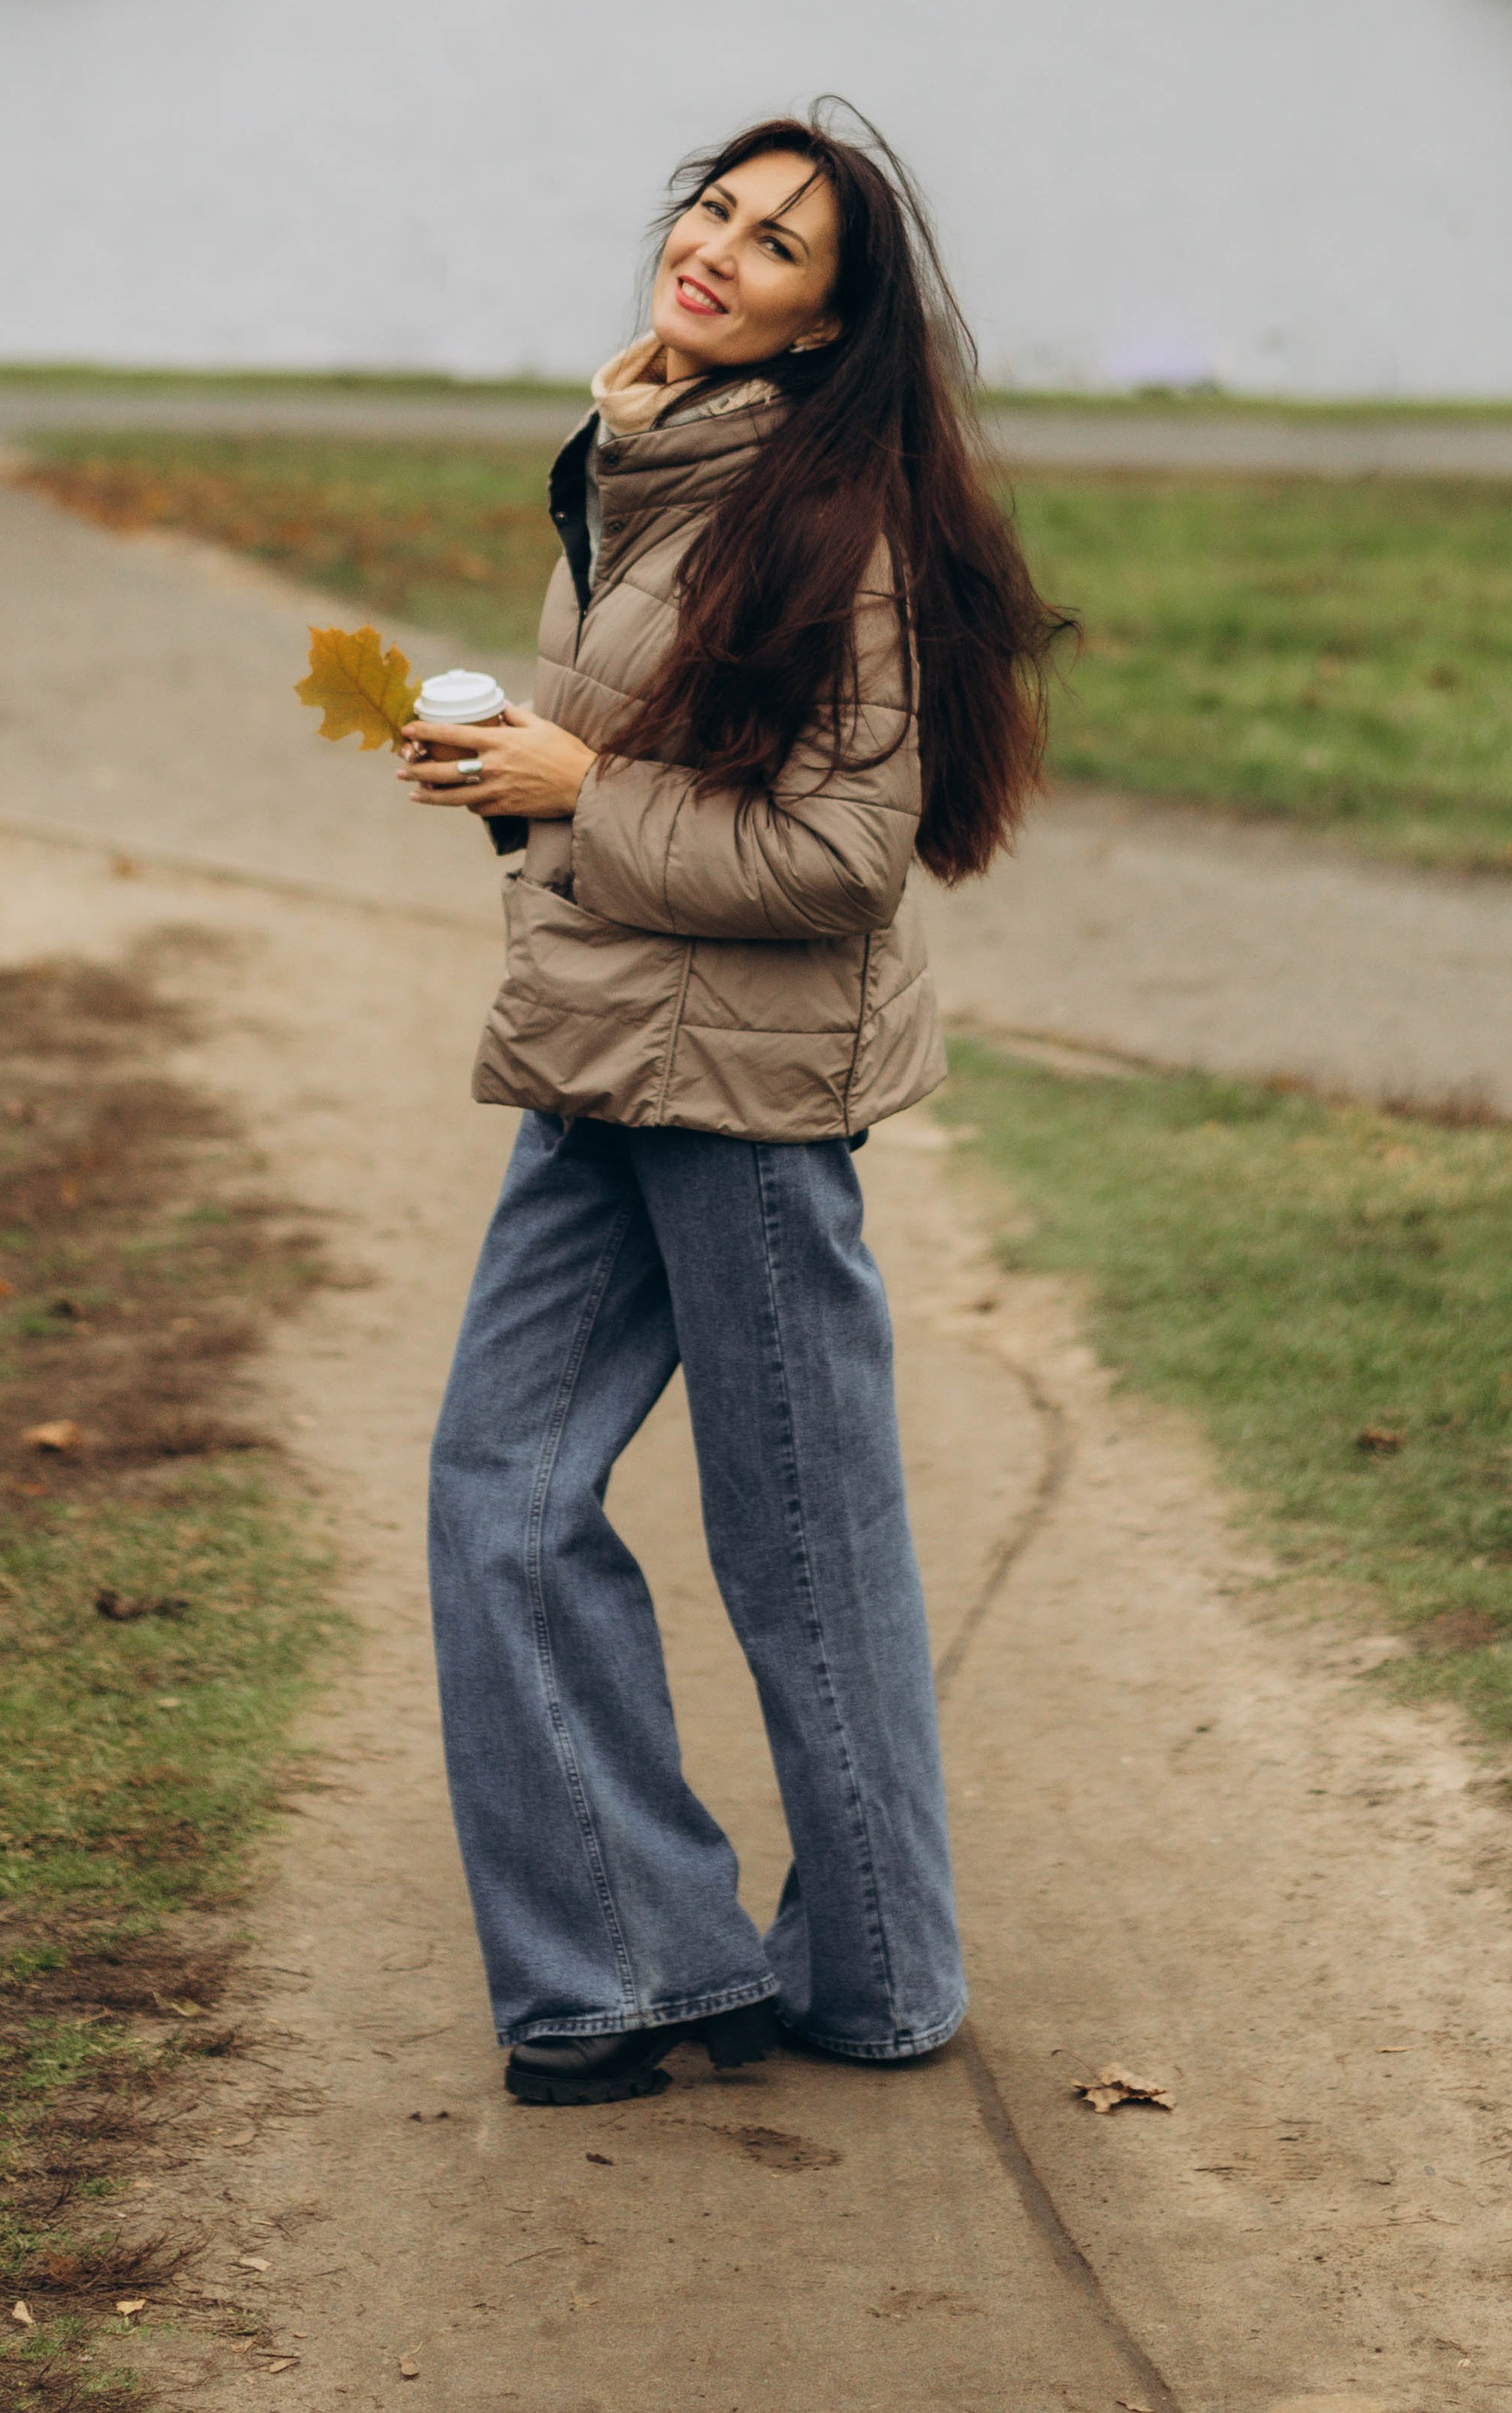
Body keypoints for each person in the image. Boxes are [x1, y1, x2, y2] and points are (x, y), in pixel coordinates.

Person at [397, 107, 1071, 2109]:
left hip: (752, 1103)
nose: (716, 248)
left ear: (815, 325)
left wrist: (570, 788)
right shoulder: (637, 458)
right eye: (711, 208)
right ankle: (621, 1960)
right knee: (493, 1496)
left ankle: (877, 1977)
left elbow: (844, 859)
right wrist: (520, 777)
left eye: (774, 245)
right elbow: (616, 766)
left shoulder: (821, 514)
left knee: (798, 1549)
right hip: (601, 1057)